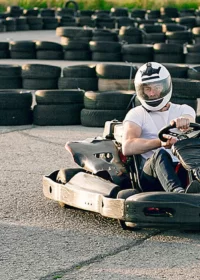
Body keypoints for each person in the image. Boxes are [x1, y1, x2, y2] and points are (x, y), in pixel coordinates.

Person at [122, 62, 196, 193]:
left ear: (166, 86)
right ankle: (177, 193)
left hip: (183, 169)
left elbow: (189, 119)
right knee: (160, 154)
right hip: (151, 175)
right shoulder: (136, 114)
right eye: (147, 89)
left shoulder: (183, 109)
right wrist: (160, 143)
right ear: (141, 90)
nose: (152, 94)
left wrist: (184, 121)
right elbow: (127, 146)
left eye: (157, 87)